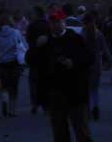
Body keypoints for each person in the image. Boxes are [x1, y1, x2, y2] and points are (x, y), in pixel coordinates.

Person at [26, 13, 95, 142]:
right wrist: (36, 47)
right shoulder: (45, 41)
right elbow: (30, 61)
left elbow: (89, 58)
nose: (54, 25)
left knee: (81, 128)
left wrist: (73, 62)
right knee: (59, 129)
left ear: (63, 22)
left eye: (57, 22)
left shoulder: (75, 38)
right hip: (54, 91)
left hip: (75, 90)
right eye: (52, 23)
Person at [81, 12, 112, 121]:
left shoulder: (82, 34)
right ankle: (96, 107)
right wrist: (110, 61)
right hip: (97, 65)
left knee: (87, 90)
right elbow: (106, 50)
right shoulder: (99, 34)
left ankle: (88, 111)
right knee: (95, 89)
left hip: (85, 65)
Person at [0, 14, 25, 117]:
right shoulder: (15, 32)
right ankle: (12, 110)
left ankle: (5, 100)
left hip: (2, 63)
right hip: (14, 62)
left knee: (4, 86)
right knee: (14, 87)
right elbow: (23, 45)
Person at [26, 5, 52, 114]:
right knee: (46, 82)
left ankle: (34, 103)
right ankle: (46, 104)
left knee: (33, 82)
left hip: (34, 57)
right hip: (47, 58)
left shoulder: (31, 26)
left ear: (36, 14)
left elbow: (28, 41)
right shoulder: (48, 25)